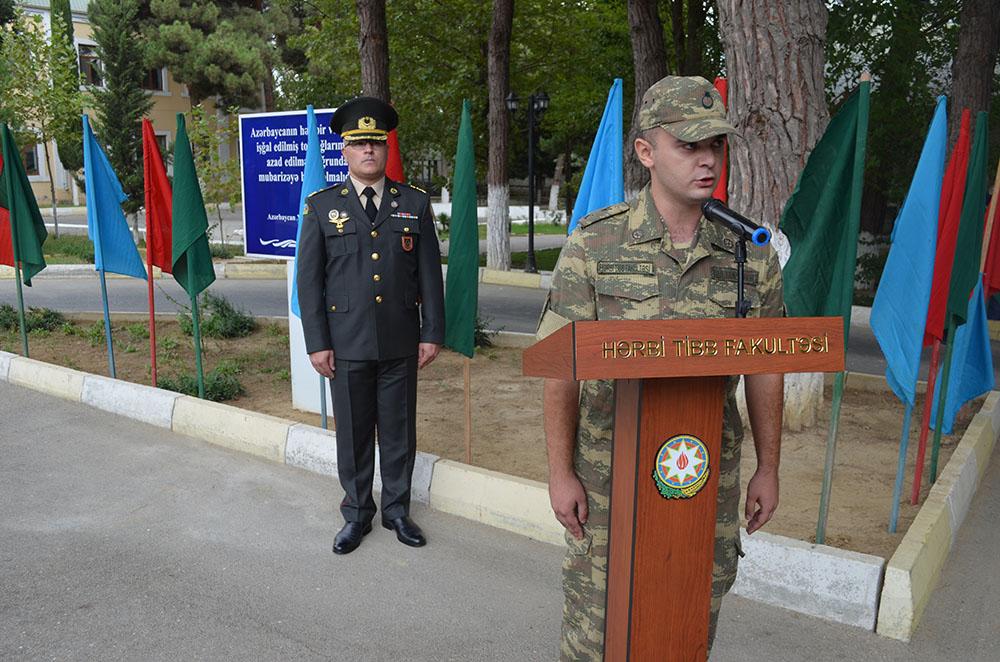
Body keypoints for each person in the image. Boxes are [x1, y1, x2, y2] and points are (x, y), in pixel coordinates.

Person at [536, 75, 785, 659]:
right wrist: (559, 471)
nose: (707, 161)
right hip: (606, 476)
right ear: (646, 152)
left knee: (688, 626)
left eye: (715, 146)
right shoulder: (595, 246)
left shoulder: (751, 252)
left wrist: (768, 467)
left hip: (701, 476)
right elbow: (559, 368)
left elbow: (766, 366)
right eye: (689, 146)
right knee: (597, 631)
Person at [296, 96, 445, 555]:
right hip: (346, 343)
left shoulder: (413, 204)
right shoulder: (323, 207)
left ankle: (397, 510)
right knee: (355, 433)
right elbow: (309, 282)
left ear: (385, 149)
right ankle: (357, 513)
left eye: (375, 144)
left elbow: (428, 274)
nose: (368, 152)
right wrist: (317, 343)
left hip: (401, 339)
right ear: (344, 150)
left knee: (399, 430)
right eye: (359, 144)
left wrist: (431, 331)